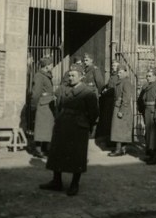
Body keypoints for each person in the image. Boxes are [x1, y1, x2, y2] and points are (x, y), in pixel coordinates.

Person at [40, 65, 99, 196]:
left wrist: (86, 125)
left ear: (81, 77)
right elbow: (59, 105)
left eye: (74, 75)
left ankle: (74, 184)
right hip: (62, 125)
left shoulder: (88, 93)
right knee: (57, 152)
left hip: (78, 127)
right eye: (69, 75)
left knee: (77, 156)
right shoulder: (63, 89)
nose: (70, 78)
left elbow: (94, 113)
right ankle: (57, 181)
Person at [137, 66, 156, 165]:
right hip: (147, 112)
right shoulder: (146, 86)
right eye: (147, 76)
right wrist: (142, 110)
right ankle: (151, 154)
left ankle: (155, 157)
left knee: (155, 136)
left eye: (149, 76)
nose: (147, 78)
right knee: (149, 134)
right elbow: (141, 100)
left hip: (154, 113)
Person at [31, 57, 55, 158]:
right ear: (46, 66)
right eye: (51, 64)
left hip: (48, 105)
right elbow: (36, 93)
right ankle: (38, 151)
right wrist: (33, 106)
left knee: (47, 128)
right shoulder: (39, 76)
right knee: (41, 128)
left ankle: (45, 149)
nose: (52, 66)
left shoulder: (46, 75)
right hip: (42, 105)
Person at [108, 64, 134, 157]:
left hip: (122, 108)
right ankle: (122, 149)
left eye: (120, 72)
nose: (118, 74)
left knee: (118, 129)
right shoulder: (120, 82)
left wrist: (121, 110)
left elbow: (126, 98)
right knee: (119, 128)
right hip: (118, 106)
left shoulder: (126, 82)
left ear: (126, 72)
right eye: (118, 72)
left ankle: (119, 150)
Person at [95, 61, 120, 147]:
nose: (113, 67)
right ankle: (108, 139)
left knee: (111, 121)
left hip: (112, 101)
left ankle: (112, 141)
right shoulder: (112, 76)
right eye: (112, 65)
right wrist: (104, 89)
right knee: (107, 120)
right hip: (108, 101)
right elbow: (109, 86)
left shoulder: (118, 76)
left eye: (115, 66)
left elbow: (115, 89)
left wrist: (106, 91)